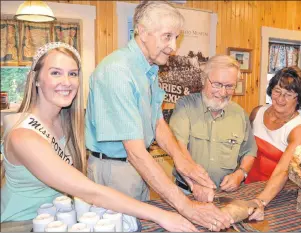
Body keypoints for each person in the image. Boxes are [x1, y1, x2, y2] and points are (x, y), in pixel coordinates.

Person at [0, 42, 198, 232]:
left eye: (73, 74)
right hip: (22, 223)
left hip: (59, 219)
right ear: (35, 79)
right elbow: (89, 191)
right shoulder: (24, 137)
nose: (66, 82)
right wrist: (162, 215)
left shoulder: (65, 122)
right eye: (55, 73)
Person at [85, 1, 232, 231]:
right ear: (142, 32)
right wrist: (187, 208)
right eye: (167, 37)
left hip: (136, 167)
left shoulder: (149, 68)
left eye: (176, 37)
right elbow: (135, 152)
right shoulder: (118, 71)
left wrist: (186, 165)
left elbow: (157, 122)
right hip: (115, 170)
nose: (173, 46)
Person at [169, 55, 257, 202]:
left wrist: (240, 174)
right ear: (204, 79)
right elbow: (178, 146)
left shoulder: (239, 114)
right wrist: (197, 181)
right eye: (217, 84)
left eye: (229, 86)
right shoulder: (185, 106)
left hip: (227, 195)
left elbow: (249, 151)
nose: (222, 93)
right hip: (188, 193)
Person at [245, 66, 301, 221]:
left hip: (275, 194)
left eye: (288, 94)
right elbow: (244, 149)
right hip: (246, 186)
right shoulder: (257, 112)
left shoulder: (299, 130)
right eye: (277, 91)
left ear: (299, 99)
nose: (281, 99)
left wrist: (260, 201)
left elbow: (283, 170)